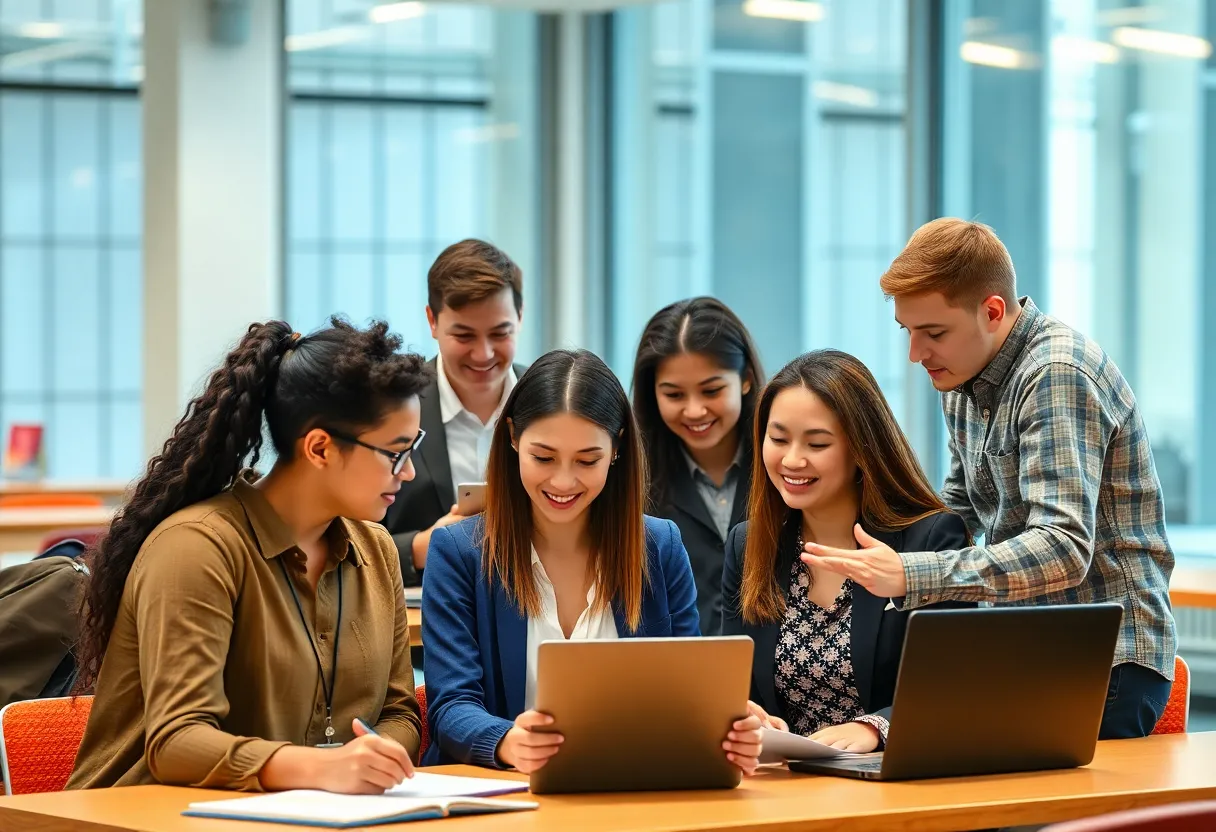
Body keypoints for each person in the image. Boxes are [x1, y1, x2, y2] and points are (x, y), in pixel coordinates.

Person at [804, 218, 1176, 739]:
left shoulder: (1055, 373)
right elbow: (956, 510)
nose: (916, 354)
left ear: (993, 311)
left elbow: (1064, 547)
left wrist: (910, 573)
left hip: (1106, 664)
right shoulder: (960, 375)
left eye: (933, 333)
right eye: (907, 331)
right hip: (1027, 650)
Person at [68, 318, 428, 792]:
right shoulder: (196, 548)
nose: (409, 473)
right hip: (151, 818)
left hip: (308, 817)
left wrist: (374, 757)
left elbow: (399, 712)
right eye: (396, 453)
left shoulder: (375, 549)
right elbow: (177, 742)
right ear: (320, 447)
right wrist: (324, 769)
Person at [421, 349, 764, 775]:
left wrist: (726, 727)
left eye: (588, 460)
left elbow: (686, 697)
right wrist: (508, 741)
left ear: (616, 447)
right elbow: (451, 707)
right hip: (502, 794)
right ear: (512, 437)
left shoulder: (659, 547)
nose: (563, 481)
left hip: (630, 788)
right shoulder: (459, 551)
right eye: (543, 457)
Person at [722, 350, 972, 753]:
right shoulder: (748, 544)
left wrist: (875, 728)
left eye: (817, 443)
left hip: (894, 780)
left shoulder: (931, 539)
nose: (791, 460)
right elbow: (731, 682)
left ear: (861, 449)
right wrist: (747, 716)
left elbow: (956, 685)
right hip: (785, 782)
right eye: (778, 438)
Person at [383, 239, 528, 587]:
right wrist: (422, 547)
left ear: (519, 319)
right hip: (418, 622)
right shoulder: (389, 404)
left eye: (499, 333)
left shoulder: (552, 400)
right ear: (432, 321)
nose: (483, 354)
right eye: (464, 335)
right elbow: (346, 534)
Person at [631, 297, 763, 635]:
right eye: (674, 395)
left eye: (711, 390)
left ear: (745, 379)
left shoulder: (786, 464)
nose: (694, 411)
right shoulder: (632, 478)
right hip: (676, 677)